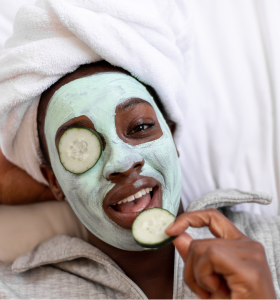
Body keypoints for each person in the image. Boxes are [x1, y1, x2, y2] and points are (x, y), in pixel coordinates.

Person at [0, 1, 279, 299]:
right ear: (54, 180)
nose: (121, 161)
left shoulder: (272, 246)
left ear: (171, 135)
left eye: (140, 127)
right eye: (80, 150)